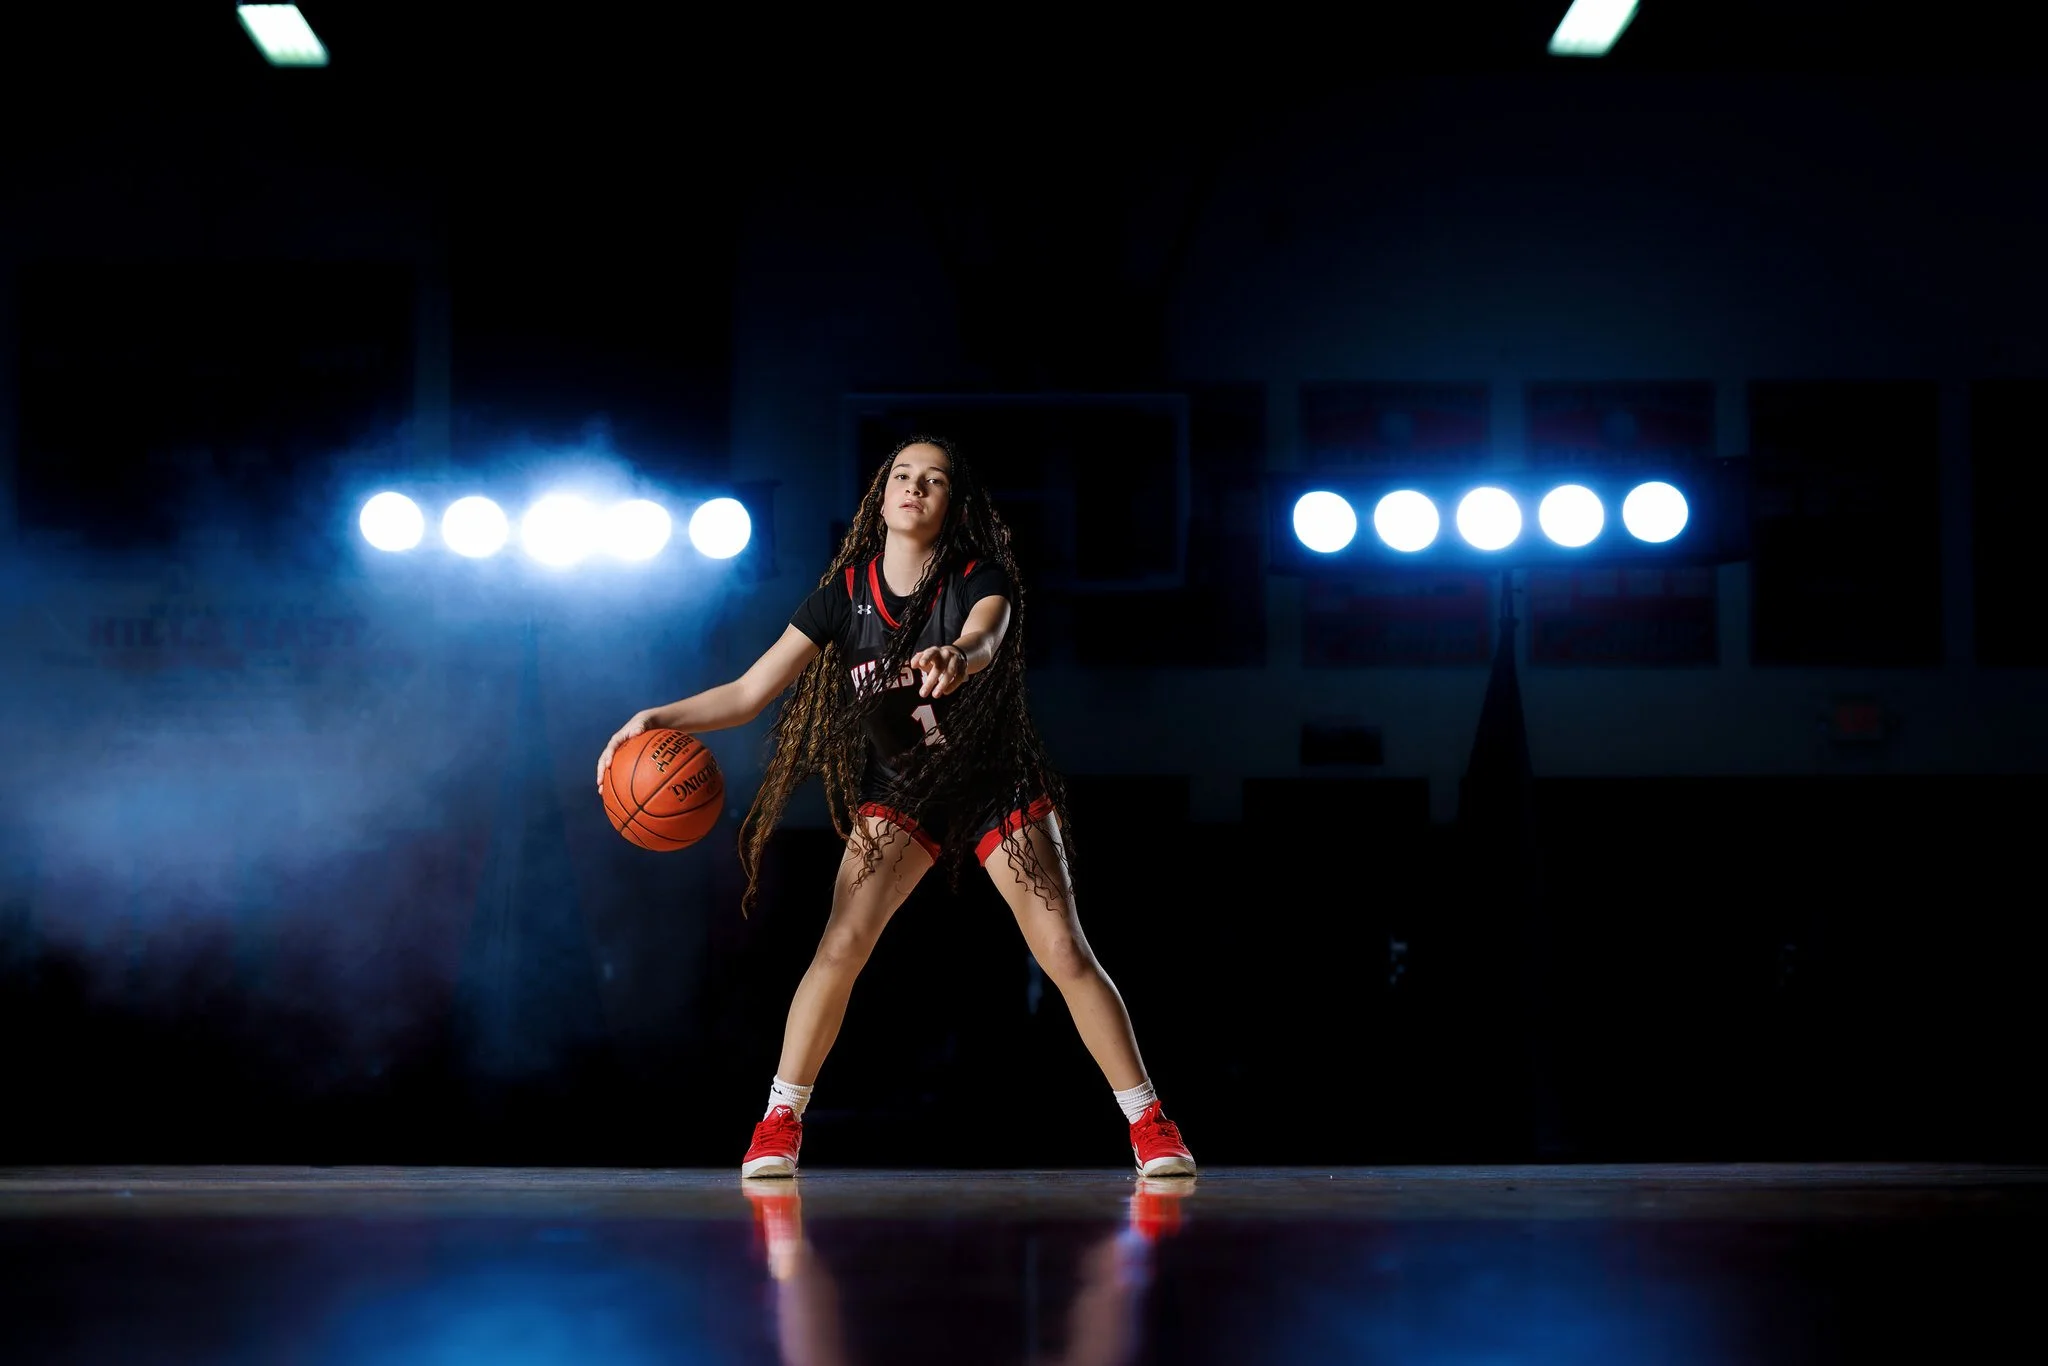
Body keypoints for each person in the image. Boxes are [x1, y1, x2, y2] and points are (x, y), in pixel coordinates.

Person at [598, 435, 1195, 1178]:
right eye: (903, 475)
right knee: (841, 946)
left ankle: (1151, 1124)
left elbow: (985, 636)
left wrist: (957, 657)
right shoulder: (843, 595)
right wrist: (658, 717)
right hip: (905, 791)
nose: (916, 486)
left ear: (952, 505)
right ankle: (779, 1123)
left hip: (993, 783)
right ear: (881, 498)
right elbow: (750, 692)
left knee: (1066, 952)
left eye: (934, 480)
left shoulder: (980, 577)